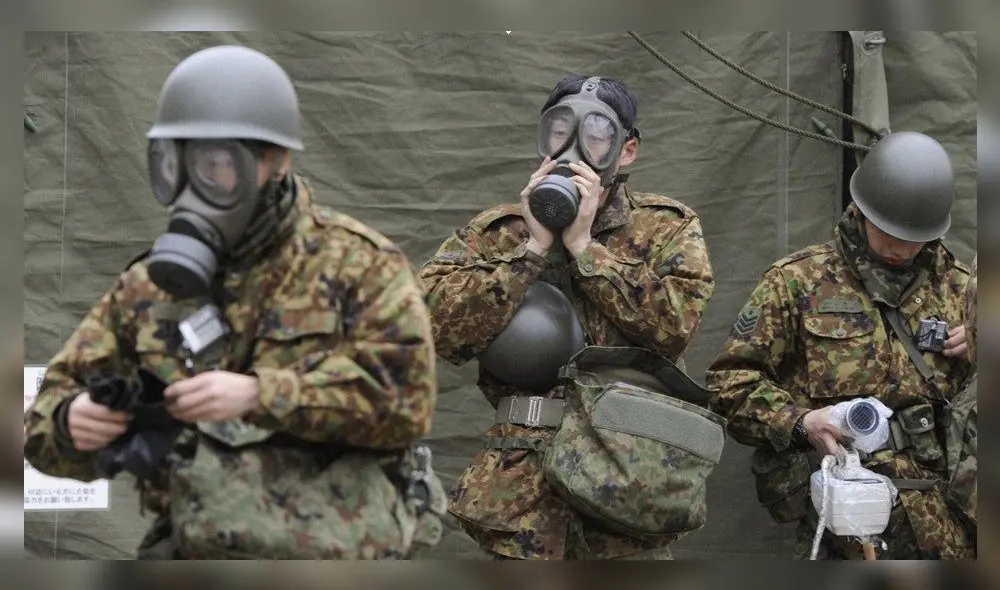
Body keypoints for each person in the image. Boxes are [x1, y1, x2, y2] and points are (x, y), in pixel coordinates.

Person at [22, 45, 444, 560]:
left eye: (217, 165)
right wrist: (71, 421)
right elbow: (41, 427)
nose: (194, 186)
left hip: (337, 553)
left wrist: (259, 396)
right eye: (178, 164)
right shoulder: (147, 287)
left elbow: (406, 405)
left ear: (277, 161)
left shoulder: (359, 265)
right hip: (194, 548)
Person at [419, 75, 715, 560]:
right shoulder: (499, 232)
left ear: (626, 151)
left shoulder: (667, 227)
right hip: (522, 495)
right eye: (560, 132)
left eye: (596, 135)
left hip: (628, 485)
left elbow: (674, 328)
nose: (574, 148)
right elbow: (431, 323)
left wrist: (584, 248)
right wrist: (531, 250)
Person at [706, 130, 975, 559]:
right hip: (842, 526)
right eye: (888, 230)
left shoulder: (966, 291)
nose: (899, 247)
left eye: (914, 237)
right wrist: (801, 421)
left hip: (949, 524)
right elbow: (728, 385)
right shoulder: (797, 282)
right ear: (863, 209)